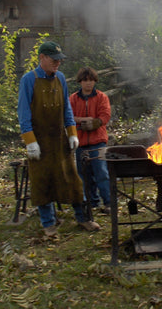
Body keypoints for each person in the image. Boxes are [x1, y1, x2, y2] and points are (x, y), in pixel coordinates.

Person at [17, 42, 100, 236]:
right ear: (42, 58)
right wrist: (30, 141)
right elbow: (23, 113)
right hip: (39, 141)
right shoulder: (28, 80)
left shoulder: (60, 78)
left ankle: (83, 218)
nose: (57, 63)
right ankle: (49, 223)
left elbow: (66, 108)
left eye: (59, 60)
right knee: (43, 181)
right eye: (54, 60)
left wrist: (72, 133)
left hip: (59, 140)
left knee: (71, 179)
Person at [70, 67, 111, 214]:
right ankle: (91, 203)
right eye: (85, 80)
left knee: (102, 173)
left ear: (95, 81)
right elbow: (68, 117)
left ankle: (108, 203)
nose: (88, 83)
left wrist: (96, 122)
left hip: (98, 142)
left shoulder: (101, 97)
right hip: (80, 143)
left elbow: (105, 115)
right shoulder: (73, 99)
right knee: (84, 175)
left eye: (91, 80)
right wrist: (83, 121)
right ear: (80, 81)